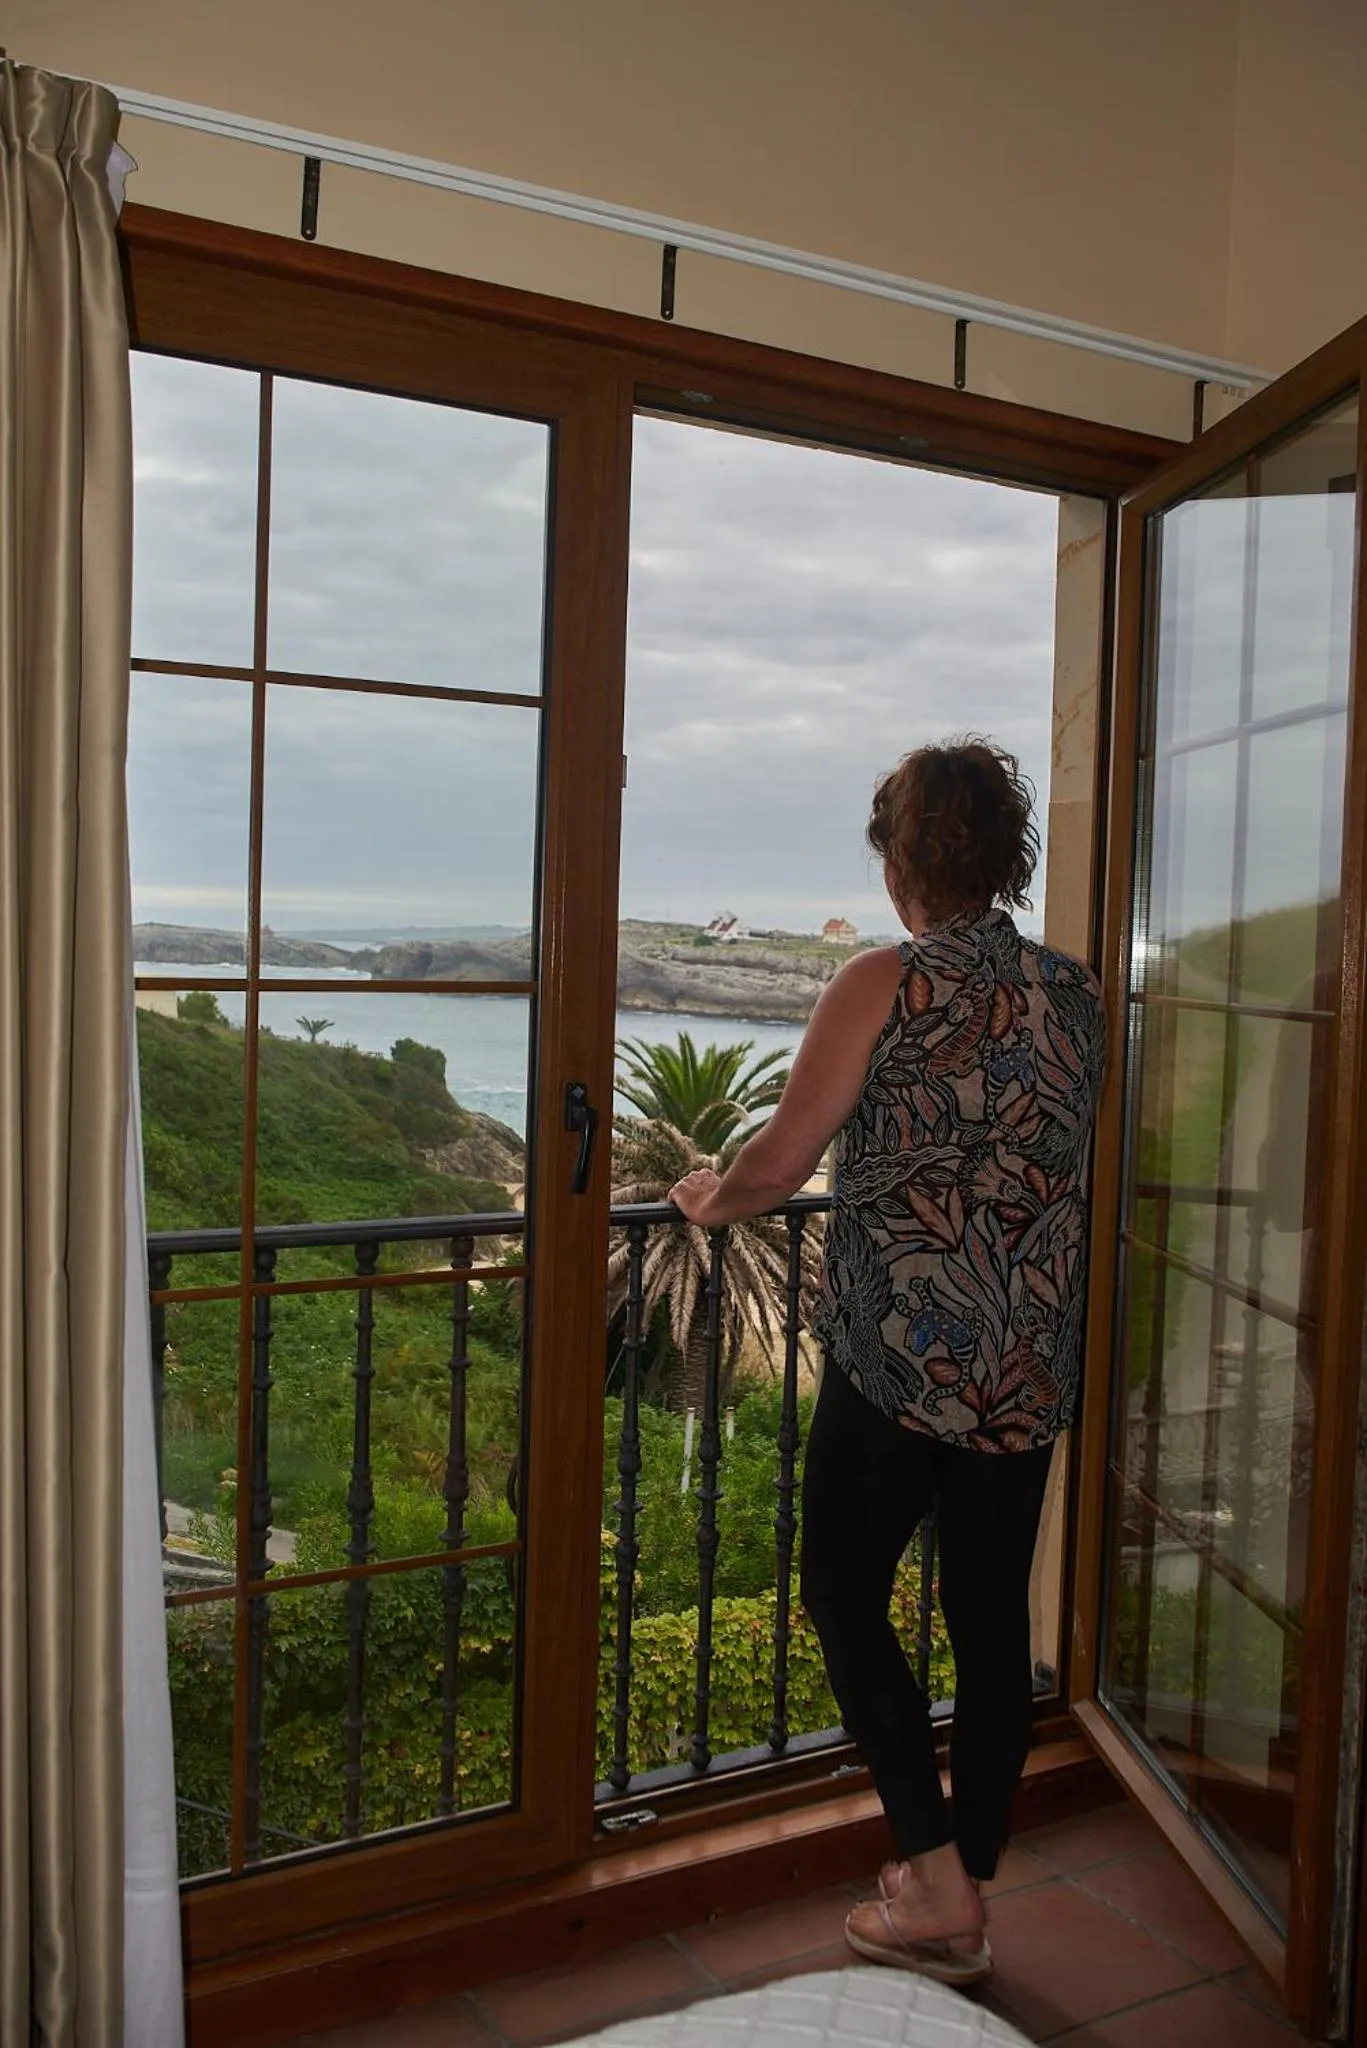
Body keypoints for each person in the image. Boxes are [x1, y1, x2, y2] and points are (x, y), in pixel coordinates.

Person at [670, 737, 1106, 1984]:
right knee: (983, 1627)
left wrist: (708, 1199)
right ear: (1004, 851)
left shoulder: (882, 981)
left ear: (901, 856)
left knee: (843, 1591)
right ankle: (962, 1884)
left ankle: (929, 1879)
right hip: (1023, 1364)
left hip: (899, 1361)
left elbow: (781, 1156)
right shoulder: (1074, 991)